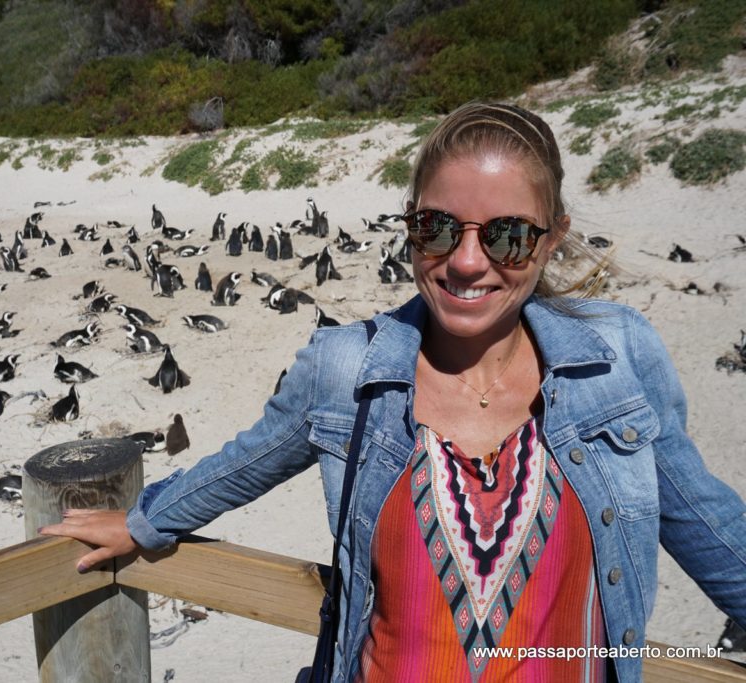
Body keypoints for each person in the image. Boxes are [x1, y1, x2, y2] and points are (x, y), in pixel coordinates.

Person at [40, 102, 746, 682]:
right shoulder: (347, 367)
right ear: (408, 223)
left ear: (553, 236)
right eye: (437, 228)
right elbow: (246, 461)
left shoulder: (615, 360)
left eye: (506, 237)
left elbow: (706, 524)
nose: (467, 261)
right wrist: (141, 522)